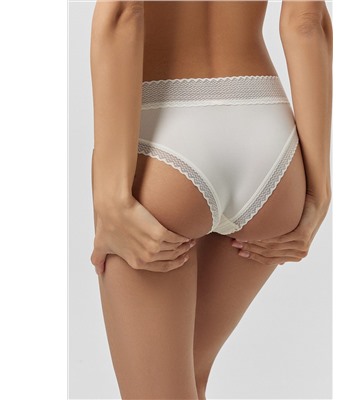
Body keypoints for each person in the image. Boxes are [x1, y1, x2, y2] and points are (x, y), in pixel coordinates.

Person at [89, 0, 332, 398]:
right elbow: (307, 23)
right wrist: (318, 190)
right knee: (189, 376)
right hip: (269, 140)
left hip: (162, 139)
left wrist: (112, 195)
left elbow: (123, 13)